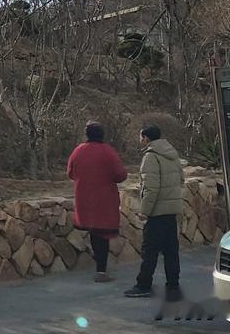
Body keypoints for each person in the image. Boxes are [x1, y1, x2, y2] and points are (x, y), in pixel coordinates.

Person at [125, 125, 184, 299]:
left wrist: (145, 211)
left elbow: (151, 188)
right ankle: (173, 285)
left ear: (146, 139)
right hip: (171, 210)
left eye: (140, 137)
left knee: (149, 250)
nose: (140, 140)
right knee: (171, 250)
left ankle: (143, 284)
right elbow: (181, 178)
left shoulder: (151, 157)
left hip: (156, 211)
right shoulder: (171, 154)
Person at [66, 121, 128, 283]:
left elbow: (70, 173)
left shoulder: (78, 151)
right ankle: (101, 270)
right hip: (105, 199)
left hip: (84, 198)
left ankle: (99, 266)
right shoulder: (108, 152)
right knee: (103, 233)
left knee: (95, 232)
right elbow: (120, 175)